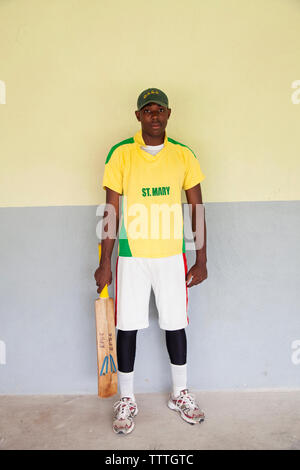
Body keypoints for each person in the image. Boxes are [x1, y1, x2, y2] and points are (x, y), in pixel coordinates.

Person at [94, 88, 207, 435]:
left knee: (175, 324)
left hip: (172, 256)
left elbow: (196, 209)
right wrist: (104, 261)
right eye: (148, 110)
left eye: (160, 110)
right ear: (138, 115)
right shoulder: (121, 154)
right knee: (127, 326)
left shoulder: (183, 155)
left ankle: (180, 393)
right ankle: (126, 398)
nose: (154, 116)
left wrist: (201, 258)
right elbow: (112, 211)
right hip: (131, 256)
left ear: (169, 114)